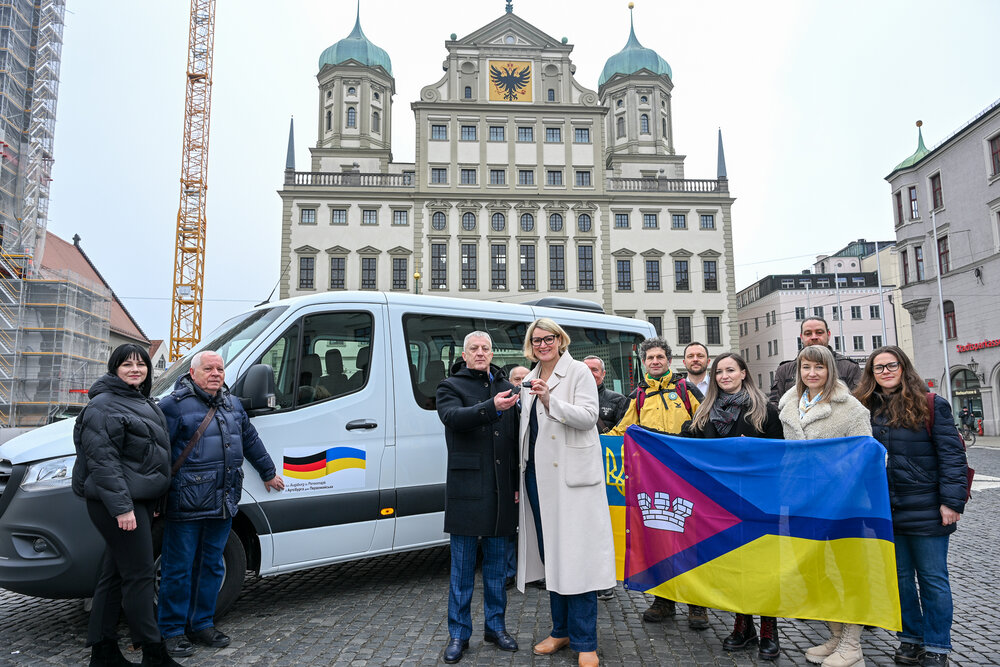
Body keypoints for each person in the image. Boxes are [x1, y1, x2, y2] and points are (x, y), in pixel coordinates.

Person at [157, 350, 285, 657]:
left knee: (212, 566)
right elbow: (158, 454)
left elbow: (251, 439)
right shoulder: (171, 407)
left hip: (224, 499)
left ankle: (203, 623)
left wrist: (268, 472)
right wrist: (155, 496)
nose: (216, 373)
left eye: (220, 369)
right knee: (178, 568)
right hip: (186, 502)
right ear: (193, 372)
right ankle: (172, 631)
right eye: (209, 368)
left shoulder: (232, 404)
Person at [854, 346, 967, 667]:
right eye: (878, 368)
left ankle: (937, 646)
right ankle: (911, 638)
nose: (886, 371)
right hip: (885, 509)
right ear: (871, 374)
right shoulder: (865, 409)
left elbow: (953, 457)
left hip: (927, 506)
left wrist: (951, 502)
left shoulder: (931, 404)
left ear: (903, 368)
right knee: (900, 579)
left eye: (892, 365)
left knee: (933, 579)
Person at [72, 344, 180, 667]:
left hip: (137, 502)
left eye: (141, 364)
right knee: (140, 576)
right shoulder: (104, 406)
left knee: (115, 574)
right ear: (114, 368)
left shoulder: (142, 401)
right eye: (127, 364)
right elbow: (103, 464)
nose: (135, 369)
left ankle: (103, 652)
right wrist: (122, 508)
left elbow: (151, 459)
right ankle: (153, 652)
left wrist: (155, 501)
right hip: (116, 504)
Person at [517, 318, 614, 667]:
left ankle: (586, 640)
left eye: (548, 338)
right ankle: (561, 631)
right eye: (536, 339)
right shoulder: (529, 377)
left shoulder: (578, 372)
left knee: (579, 557)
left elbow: (589, 417)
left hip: (572, 480)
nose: (542, 344)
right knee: (552, 558)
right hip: (537, 479)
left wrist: (549, 402)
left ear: (560, 340)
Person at [681, 353, 783, 659]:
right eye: (720, 372)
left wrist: (747, 452)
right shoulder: (705, 412)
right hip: (721, 504)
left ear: (743, 373)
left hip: (759, 502)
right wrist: (645, 437)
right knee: (734, 565)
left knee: (763, 567)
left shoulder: (765, 410)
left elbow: (779, 457)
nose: (724, 376)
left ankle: (768, 628)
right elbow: (686, 445)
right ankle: (742, 625)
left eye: (730, 370)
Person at [777, 344, 873, 666]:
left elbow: (865, 459)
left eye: (819, 368)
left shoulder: (852, 409)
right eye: (806, 368)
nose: (812, 373)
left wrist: (834, 476)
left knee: (848, 571)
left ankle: (852, 643)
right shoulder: (788, 403)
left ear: (830, 369)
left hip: (841, 502)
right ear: (799, 371)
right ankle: (834, 633)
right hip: (801, 501)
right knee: (812, 570)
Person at [608, 337, 706, 629]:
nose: (654, 362)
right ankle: (663, 600)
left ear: (668, 360)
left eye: (659, 357)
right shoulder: (638, 395)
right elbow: (622, 430)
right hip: (653, 480)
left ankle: (697, 604)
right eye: (649, 358)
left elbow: (705, 423)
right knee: (659, 539)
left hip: (687, 477)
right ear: (643, 362)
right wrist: (594, 444)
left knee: (692, 539)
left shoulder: (685, 389)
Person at [436, 332, 520, 663]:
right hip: (467, 489)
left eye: (486, 348)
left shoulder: (505, 385)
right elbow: (453, 418)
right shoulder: (449, 386)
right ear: (465, 354)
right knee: (462, 571)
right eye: (475, 348)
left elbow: (514, 439)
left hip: (502, 489)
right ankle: (458, 634)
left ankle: (495, 628)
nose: (481, 352)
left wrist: (516, 483)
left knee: (498, 570)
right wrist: (491, 407)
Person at [769, 318, 862, 405]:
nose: (814, 337)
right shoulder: (784, 370)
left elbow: (858, 403)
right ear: (801, 337)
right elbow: (776, 405)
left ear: (828, 334)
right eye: (808, 333)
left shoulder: (849, 367)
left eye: (819, 332)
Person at [505, 364, 530, 589]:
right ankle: (509, 572)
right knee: (511, 526)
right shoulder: (503, 403)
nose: (520, 382)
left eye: (525, 378)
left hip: (533, 470)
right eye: (516, 379)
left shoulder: (538, 402)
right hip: (511, 471)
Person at [583, 355, 629, 435]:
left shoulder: (619, 400)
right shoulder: (570, 398)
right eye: (586, 370)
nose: (590, 373)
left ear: (603, 374)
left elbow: (622, 431)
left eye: (594, 370)